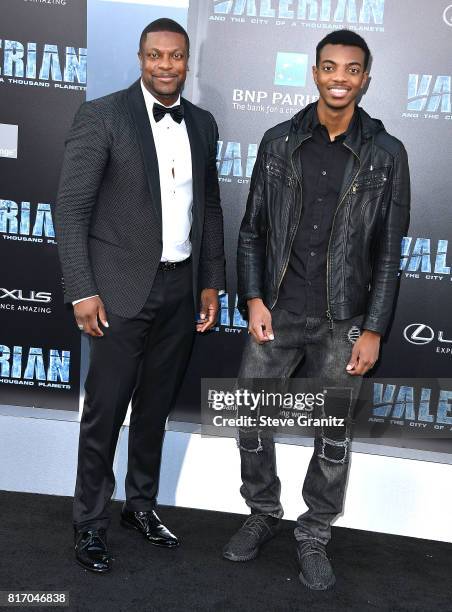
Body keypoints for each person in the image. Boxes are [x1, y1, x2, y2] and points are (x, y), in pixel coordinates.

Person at [223, 29, 410, 590]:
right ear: (315, 72)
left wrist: (374, 329)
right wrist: (254, 299)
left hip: (343, 320)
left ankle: (314, 534)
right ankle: (261, 513)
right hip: (276, 312)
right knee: (250, 422)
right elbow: (252, 229)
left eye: (351, 69)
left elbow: (388, 253)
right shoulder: (278, 142)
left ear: (365, 78)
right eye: (330, 67)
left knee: (332, 435)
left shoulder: (386, 153)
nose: (339, 78)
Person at [56, 18, 224, 573]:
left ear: (187, 60)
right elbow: (72, 209)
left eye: (175, 56)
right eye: (155, 56)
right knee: (104, 413)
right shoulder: (102, 115)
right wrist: (82, 289)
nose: (166, 66)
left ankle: (142, 507)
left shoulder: (202, 124)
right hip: (118, 288)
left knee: (154, 409)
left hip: (180, 286)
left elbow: (211, 209)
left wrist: (209, 281)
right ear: (140, 57)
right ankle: (89, 522)